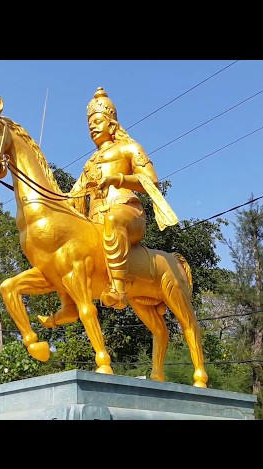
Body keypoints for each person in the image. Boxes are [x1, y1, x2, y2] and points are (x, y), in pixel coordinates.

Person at [68, 87, 180, 310]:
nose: (92, 126)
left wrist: (117, 179)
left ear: (111, 124)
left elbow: (152, 182)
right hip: (95, 221)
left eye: (97, 121)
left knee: (114, 220)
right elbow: (73, 196)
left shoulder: (130, 148)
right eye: (90, 123)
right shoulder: (89, 163)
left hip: (127, 213)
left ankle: (118, 290)